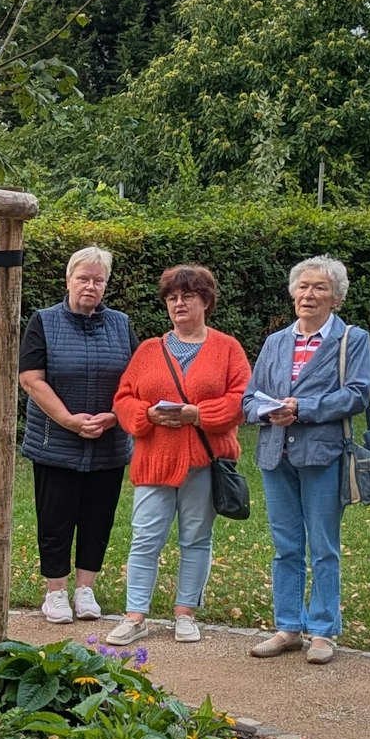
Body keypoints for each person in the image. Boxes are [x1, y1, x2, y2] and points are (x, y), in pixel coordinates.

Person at [105, 264, 248, 645]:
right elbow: (123, 398)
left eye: (188, 296)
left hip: (204, 460)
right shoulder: (150, 350)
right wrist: (146, 415)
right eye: (172, 297)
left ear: (206, 301)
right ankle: (135, 615)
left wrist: (198, 415)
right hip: (155, 459)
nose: (179, 303)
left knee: (196, 538)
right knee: (145, 538)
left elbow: (242, 400)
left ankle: (185, 613)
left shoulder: (227, 348)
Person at [243, 255, 370, 666]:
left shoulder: (352, 339)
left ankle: (323, 630)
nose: (308, 294)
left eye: (319, 287)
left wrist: (304, 407)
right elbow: (249, 399)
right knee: (285, 546)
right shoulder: (275, 342)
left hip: (322, 453)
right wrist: (267, 411)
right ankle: (288, 627)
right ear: (292, 293)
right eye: (302, 286)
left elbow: (357, 393)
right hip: (275, 452)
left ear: (336, 297)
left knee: (323, 546)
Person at [20, 246, 135, 625]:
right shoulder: (44, 321)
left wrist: (114, 416)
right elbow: (31, 379)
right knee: (55, 517)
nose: (90, 285)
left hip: (108, 439)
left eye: (98, 280)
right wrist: (69, 420)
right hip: (57, 440)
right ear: (68, 280)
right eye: (83, 278)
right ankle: (55, 592)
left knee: (98, 518)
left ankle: (86, 589)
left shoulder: (121, 323)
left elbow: (136, 381)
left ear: (106, 285)